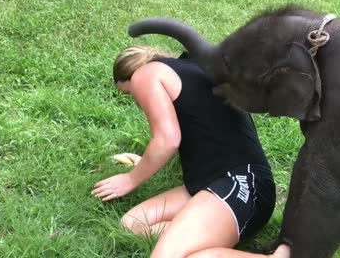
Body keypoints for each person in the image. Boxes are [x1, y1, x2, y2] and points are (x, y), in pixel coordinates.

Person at [91, 46, 290, 258]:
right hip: (213, 183)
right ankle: (201, 238)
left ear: (131, 76)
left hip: (242, 184)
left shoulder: (145, 74)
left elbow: (167, 140)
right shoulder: (190, 69)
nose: (138, 101)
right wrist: (144, 164)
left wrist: (130, 179)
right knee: (132, 224)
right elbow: (204, 137)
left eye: (130, 93)